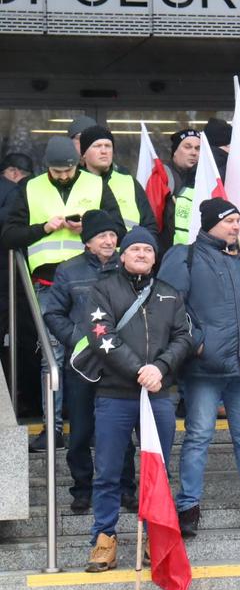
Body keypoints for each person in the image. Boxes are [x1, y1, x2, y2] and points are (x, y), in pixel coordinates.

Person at [158, 199, 240, 539]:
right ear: (211, 223)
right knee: (198, 436)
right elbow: (169, 304)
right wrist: (196, 341)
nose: (235, 226)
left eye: (238, 220)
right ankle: (188, 507)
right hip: (204, 365)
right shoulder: (185, 255)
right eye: (229, 220)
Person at [83, 226, 195, 572]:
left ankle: (154, 536)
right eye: (135, 250)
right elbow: (101, 336)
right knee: (108, 471)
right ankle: (104, 538)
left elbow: (184, 337)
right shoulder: (102, 290)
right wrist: (139, 371)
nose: (142, 255)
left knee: (156, 470)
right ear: (123, 254)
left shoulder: (169, 294)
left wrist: (159, 368)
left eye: (148, 250)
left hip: (159, 395)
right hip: (115, 395)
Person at [2, 135, 122, 452]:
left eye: (68, 170)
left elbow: (117, 227)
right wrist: (43, 227)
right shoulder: (29, 188)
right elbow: (9, 235)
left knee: (99, 351)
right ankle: (52, 429)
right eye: (57, 171)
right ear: (47, 168)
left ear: (78, 163)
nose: (64, 176)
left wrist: (91, 228)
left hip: (93, 279)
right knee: (51, 359)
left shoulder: (95, 185)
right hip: (49, 283)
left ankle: (96, 427)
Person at [44, 210, 136, 514]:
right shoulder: (68, 271)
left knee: (121, 430)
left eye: (113, 235)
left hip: (119, 363)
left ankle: (126, 488)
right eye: (102, 236)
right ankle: (82, 489)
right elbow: (53, 313)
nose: (110, 241)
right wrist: (77, 340)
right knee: (81, 430)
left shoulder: (128, 269)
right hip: (82, 364)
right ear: (87, 242)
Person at [78, 125, 158, 234]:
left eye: (108, 146)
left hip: (126, 250)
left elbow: (150, 225)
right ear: (84, 154)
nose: (104, 151)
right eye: (97, 146)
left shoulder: (129, 182)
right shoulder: (73, 182)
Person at [162, 128, 201, 248]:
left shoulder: (203, 178)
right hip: (169, 248)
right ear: (175, 151)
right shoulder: (163, 176)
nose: (194, 152)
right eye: (187, 147)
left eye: (197, 148)